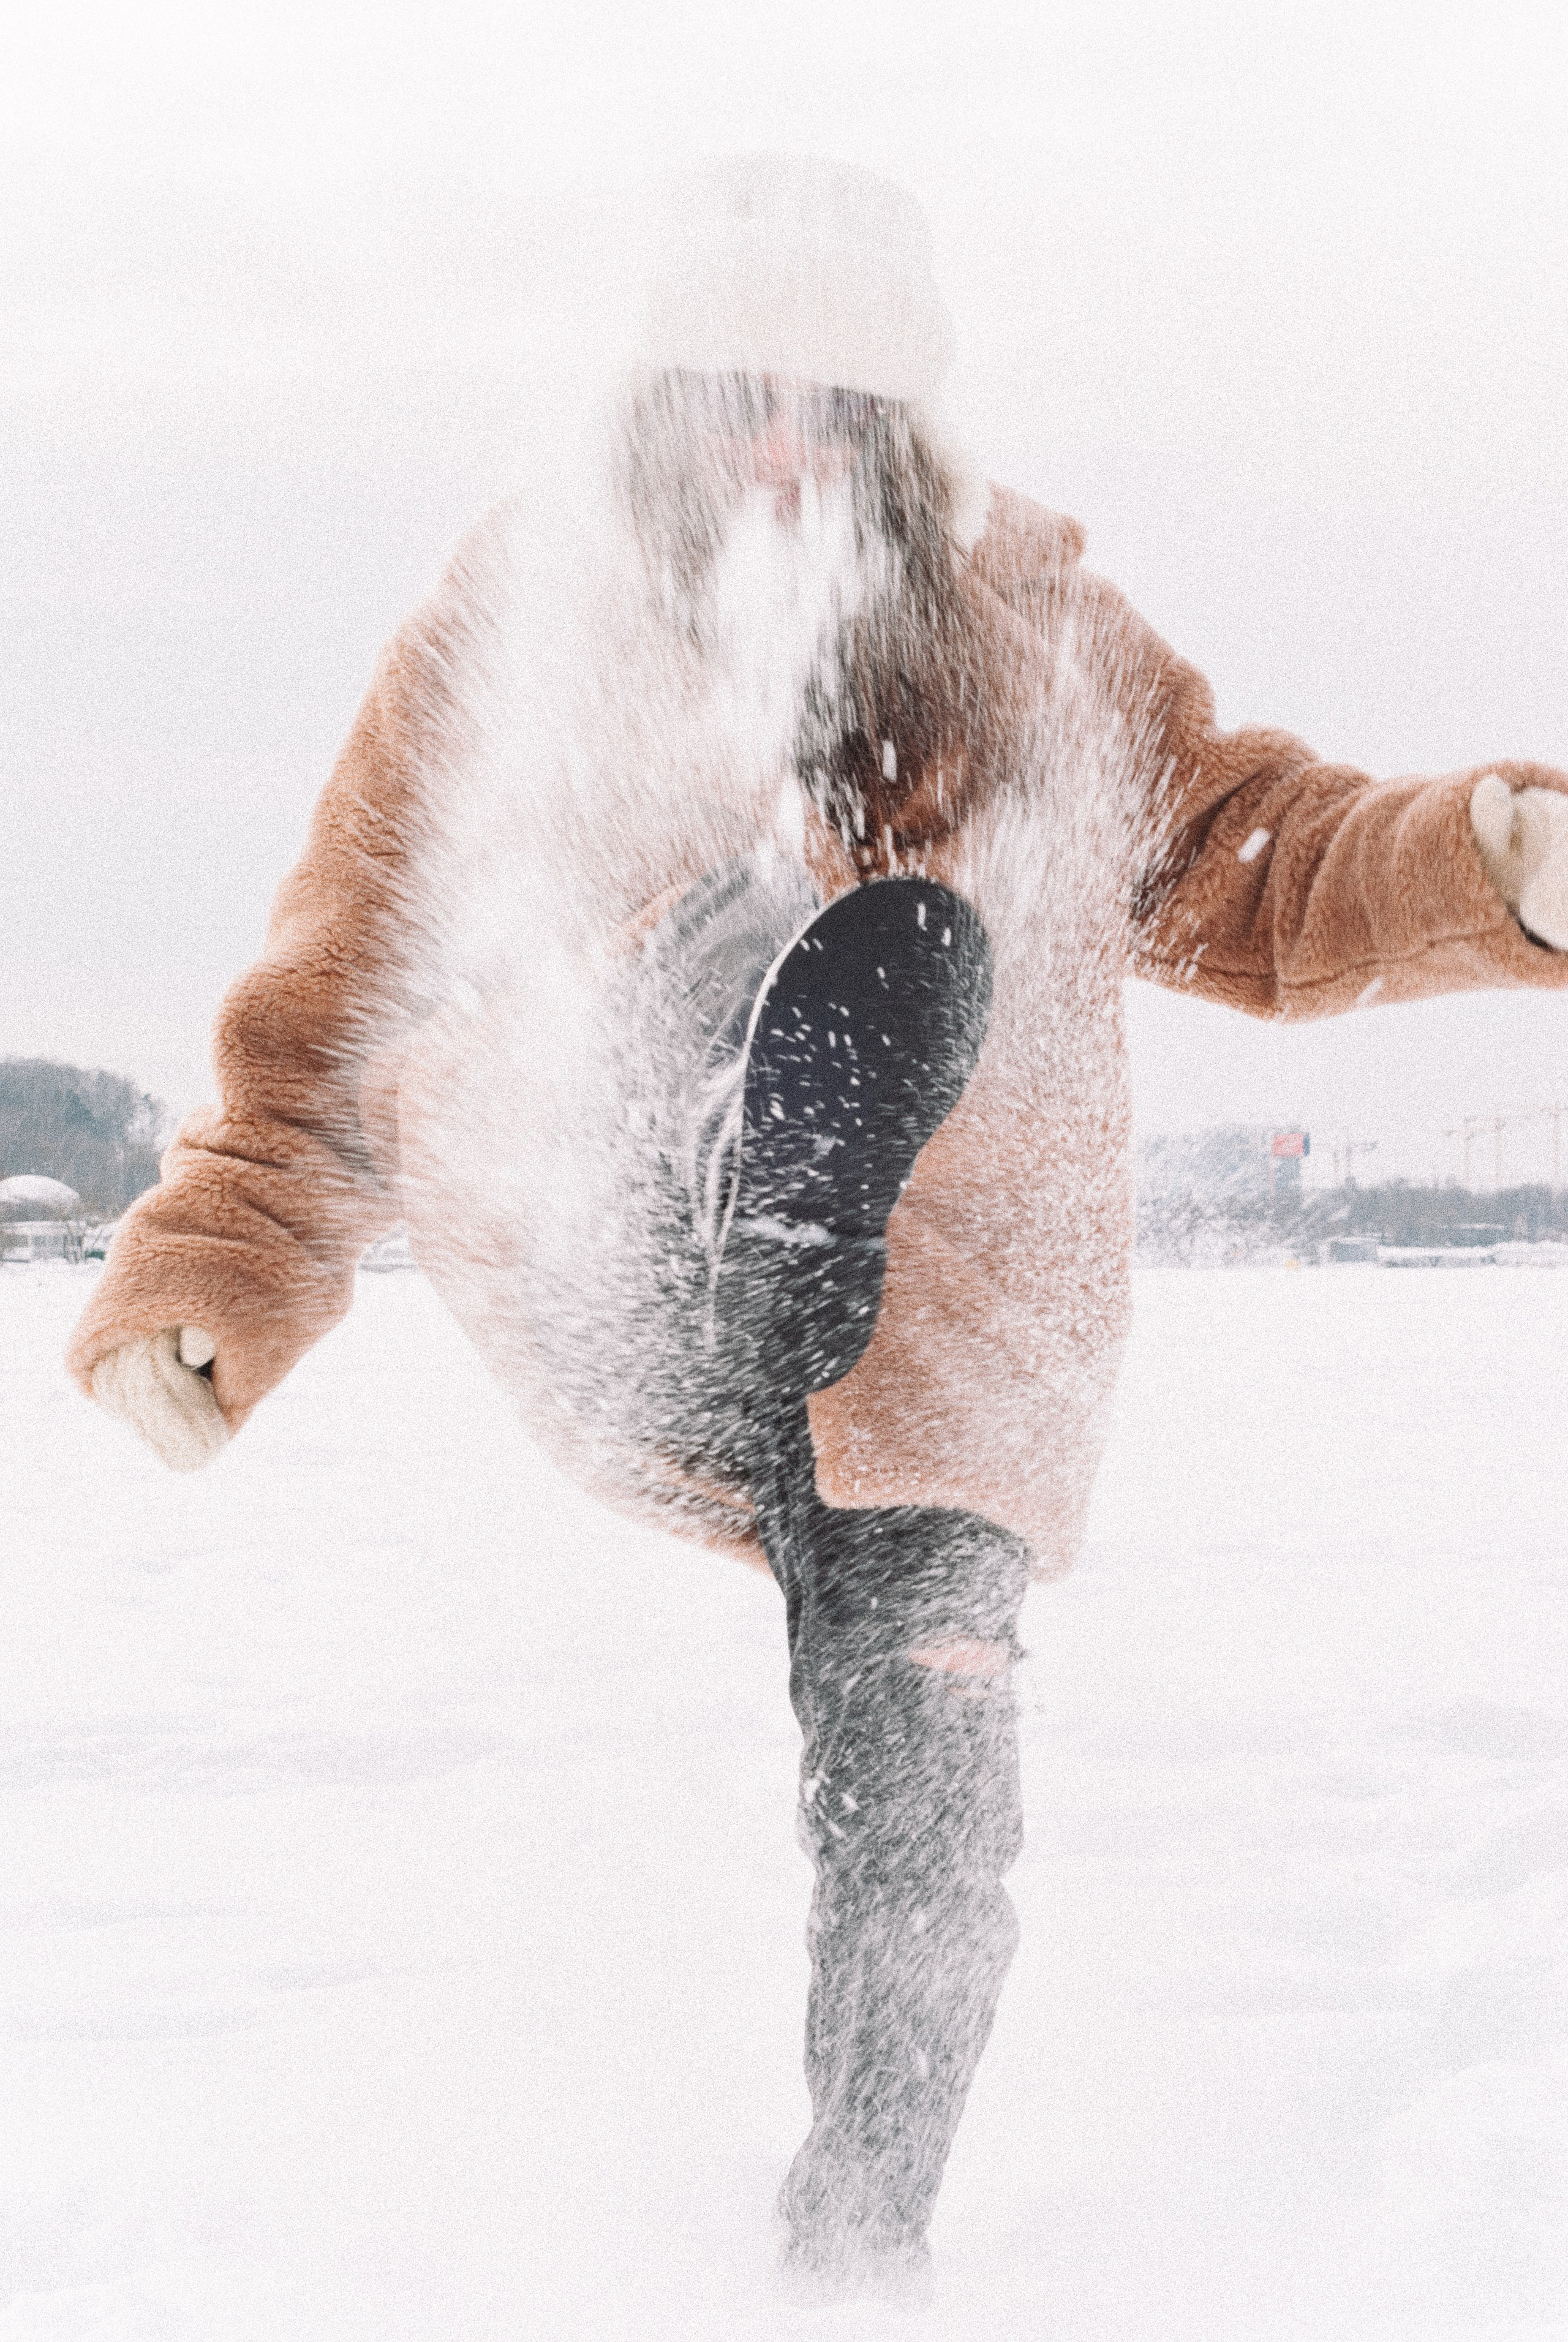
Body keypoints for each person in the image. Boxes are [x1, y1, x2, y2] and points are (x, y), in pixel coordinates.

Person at [68, 154, 1568, 2292]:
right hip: (624, 1266)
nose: (781, 446)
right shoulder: (521, 628)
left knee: (932, 1825)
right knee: (775, 929)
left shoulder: (1040, 637)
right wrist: (221, 1268)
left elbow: (1254, 861)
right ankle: (740, 1137)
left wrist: (1496, 861)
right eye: (735, 395)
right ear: (660, 408)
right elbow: (348, 981)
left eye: (833, 409)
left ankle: (855, 2256)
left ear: (900, 437)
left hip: (933, 1362)